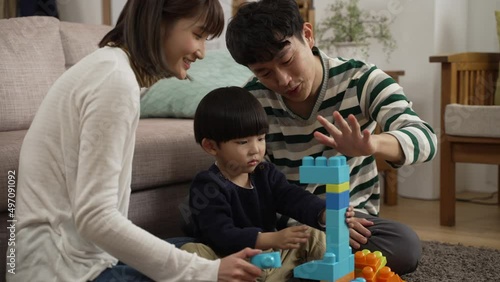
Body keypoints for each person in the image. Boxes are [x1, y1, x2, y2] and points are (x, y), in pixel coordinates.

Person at [9, 1, 263, 281]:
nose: (202, 52)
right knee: (210, 267)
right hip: (67, 272)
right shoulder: (114, 80)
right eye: (198, 35)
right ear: (159, 22)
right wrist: (207, 272)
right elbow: (96, 218)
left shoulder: (112, 67)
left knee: (208, 250)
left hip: (83, 260)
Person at [225, 0, 438, 276]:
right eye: (264, 73)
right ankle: (303, 259)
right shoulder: (253, 99)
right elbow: (253, 182)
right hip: (284, 224)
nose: (283, 79)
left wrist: (373, 144)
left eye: (287, 60)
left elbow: (425, 139)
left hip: (349, 222)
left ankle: (294, 264)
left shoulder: (362, 80)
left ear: (308, 35)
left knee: (403, 247)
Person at [181, 86, 331, 281]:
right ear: (211, 146)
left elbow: (292, 196)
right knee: (191, 252)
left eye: (261, 139)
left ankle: (332, 274)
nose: (256, 150)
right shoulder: (208, 186)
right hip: (231, 263)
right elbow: (220, 234)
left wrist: (323, 212)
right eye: (243, 142)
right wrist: (269, 238)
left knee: (311, 236)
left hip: (272, 259)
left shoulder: (264, 173)